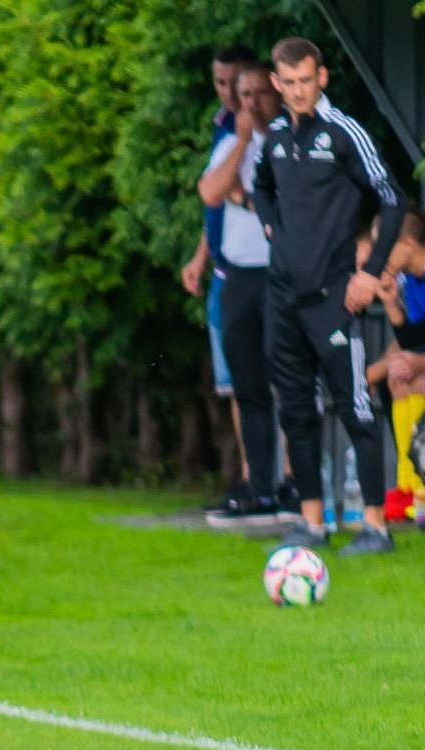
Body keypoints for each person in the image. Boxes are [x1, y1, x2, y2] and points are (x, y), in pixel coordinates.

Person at [255, 36, 406, 554]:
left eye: (306, 80)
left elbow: (392, 198)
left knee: (355, 408)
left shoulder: (344, 133)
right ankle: (312, 523)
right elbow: (260, 187)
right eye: (289, 82)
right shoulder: (275, 137)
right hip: (282, 296)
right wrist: (272, 227)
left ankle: (375, 527)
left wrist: (371, 273)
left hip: (334, 297)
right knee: (296, 409)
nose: (298, 91)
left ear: (321, 77)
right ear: (276, 82)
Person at [198, 62, 281, 527]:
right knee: (246, 386)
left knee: (288, 382)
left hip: (279, 274)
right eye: (244, 95)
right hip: (239, 276)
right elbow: (211, 192)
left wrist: (245, 197)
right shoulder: (233, 142)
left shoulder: (289, 141)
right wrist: (244, 142)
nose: (250, 103)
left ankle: (295, 484)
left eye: (259, 93)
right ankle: (259, 485)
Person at [187, 44, 258, 515]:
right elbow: (214, 196)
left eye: (235, 82)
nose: (228, 92)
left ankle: (278, 479)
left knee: (266, 382)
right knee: (234, 384)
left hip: (257, 273)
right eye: (220, 82)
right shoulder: (222, 125)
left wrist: (244, 140)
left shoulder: (257, 129)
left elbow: (229, 192)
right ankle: (251, 478)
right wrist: (200, 255)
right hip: (223, 270)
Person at [367, 209, 425, 520]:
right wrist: (391, 303)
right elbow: (413, 339)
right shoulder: (411, 281)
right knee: (399, 377)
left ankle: (421, 488)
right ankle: (408, 485)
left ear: (407, 244)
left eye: (384, 245)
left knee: (417, 378)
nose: (379, 256)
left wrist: (420, 362)